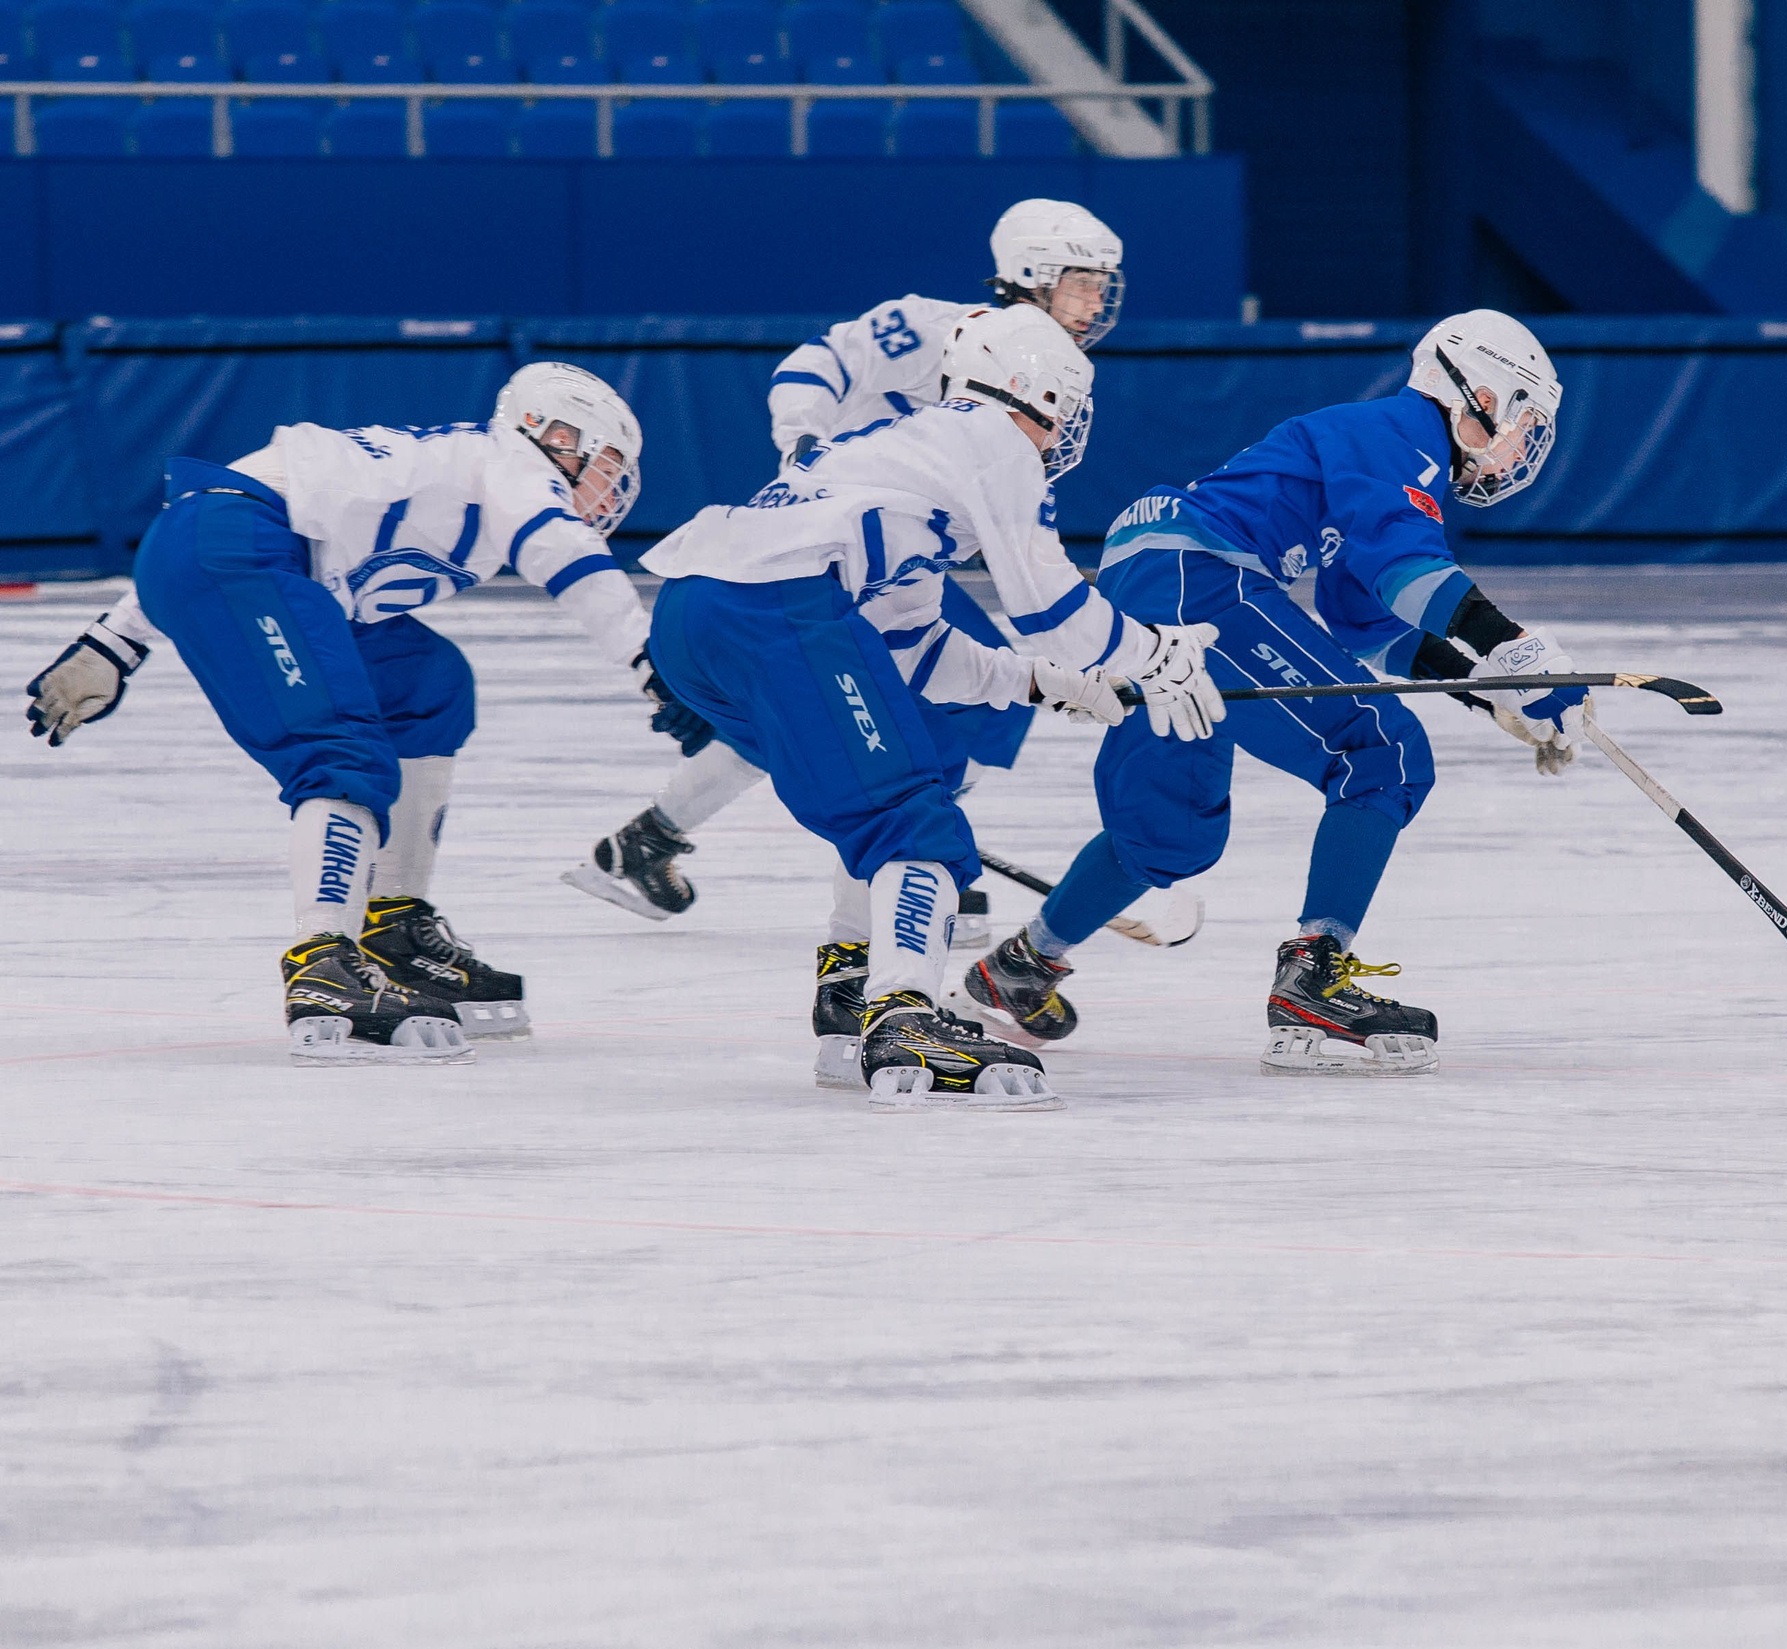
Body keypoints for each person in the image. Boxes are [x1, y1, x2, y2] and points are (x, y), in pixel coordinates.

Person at [961, 310, 1583, 1078]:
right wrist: (1510, 648)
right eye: (1524, 418)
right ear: (1476, 394)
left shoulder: (1387, 450)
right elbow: (1406, 568)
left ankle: (1023, 965)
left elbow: (1365, 621)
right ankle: (1313, 980)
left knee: (1170, 833)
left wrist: (1488, 693)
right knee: (1382, 753)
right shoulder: (1403, 432)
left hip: (1155, 575)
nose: (1524, 446)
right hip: (1199, 577)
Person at [636, 304, 1223, 1107]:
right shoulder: (995, 442)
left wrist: (1036, 682)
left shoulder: (906, 457)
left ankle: (856, 988)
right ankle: (904, 1012)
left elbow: (914, 648)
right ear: (1038, 391)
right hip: (776, 610)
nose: (1067, 433)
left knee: (893, 785)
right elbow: (1049, 605)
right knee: (915, 821)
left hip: (692, 612)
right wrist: (1153, 654)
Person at [21, 363, 693, 1063]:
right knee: (340, 753)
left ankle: (392, 924)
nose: (612, 485)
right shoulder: (512, 467)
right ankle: (323, 964)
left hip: (251, 550)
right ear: (549, 432)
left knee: (427, 685)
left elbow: (232, 503)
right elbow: (566, 550)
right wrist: (650, 661)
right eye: (608, 461)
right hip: (247, 551)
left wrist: (118, 637)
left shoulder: (470, 463)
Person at [568, 198, 1128, 939]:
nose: (1096, 302)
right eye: (1084, 282)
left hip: (886, 560)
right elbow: (814, 365)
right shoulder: (935, 327)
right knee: (920, 708)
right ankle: (901, 870)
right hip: (825, 551)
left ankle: (659, 839)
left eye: (1102, 286)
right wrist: (801, 437)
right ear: (1033, 272)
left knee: (842, 702)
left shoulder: (1047, 370)